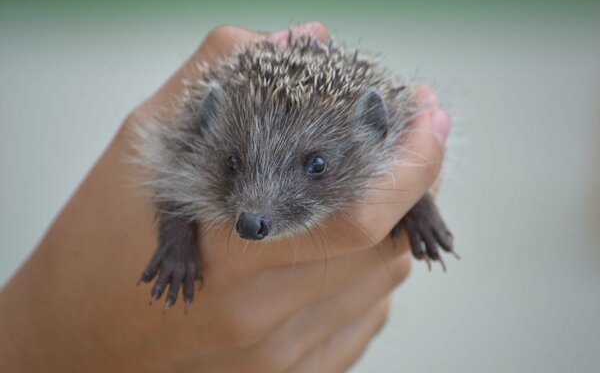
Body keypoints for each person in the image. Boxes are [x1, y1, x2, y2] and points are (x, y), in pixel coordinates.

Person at [0, 22, 450, 372]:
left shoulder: (379, 148)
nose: (254, 211)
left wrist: (418, 207)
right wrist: (176, 248)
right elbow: (173, 190)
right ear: (210, 124)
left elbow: (403, 181)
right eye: (235, 165)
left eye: (315, 167)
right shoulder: (196, 150)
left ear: (374, 130)